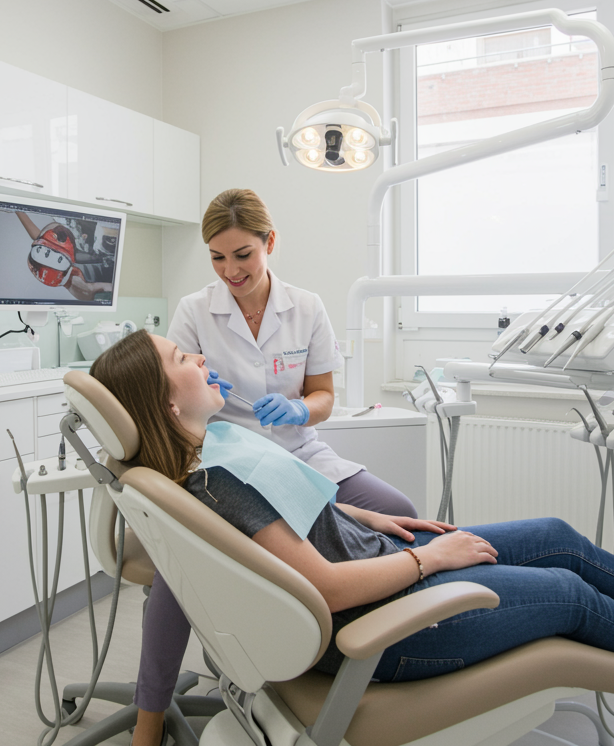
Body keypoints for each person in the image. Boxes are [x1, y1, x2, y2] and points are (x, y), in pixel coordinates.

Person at [90, 330, 614, 740]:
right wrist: (432, 560)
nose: (200, 358)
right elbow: (324, 588)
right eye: (182, 359)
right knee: (565, 593)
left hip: (384, 567)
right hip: (383, 629)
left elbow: (294, 522)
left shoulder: (212, 450)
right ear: (166, 402)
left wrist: (368, 518)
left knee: (554, 534)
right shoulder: (215, 484)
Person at [127, 189, 418, 745]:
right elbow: (174, 393)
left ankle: (365, 645)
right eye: (217, 257)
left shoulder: (305, 307)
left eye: (243, 254)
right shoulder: (195, 310)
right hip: (226, 459)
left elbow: (323, 395)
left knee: (397, 510)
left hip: (299, 451)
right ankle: (149, 720)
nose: (230, 271)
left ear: (270, 243)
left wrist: (299, 409)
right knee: (178, 567)